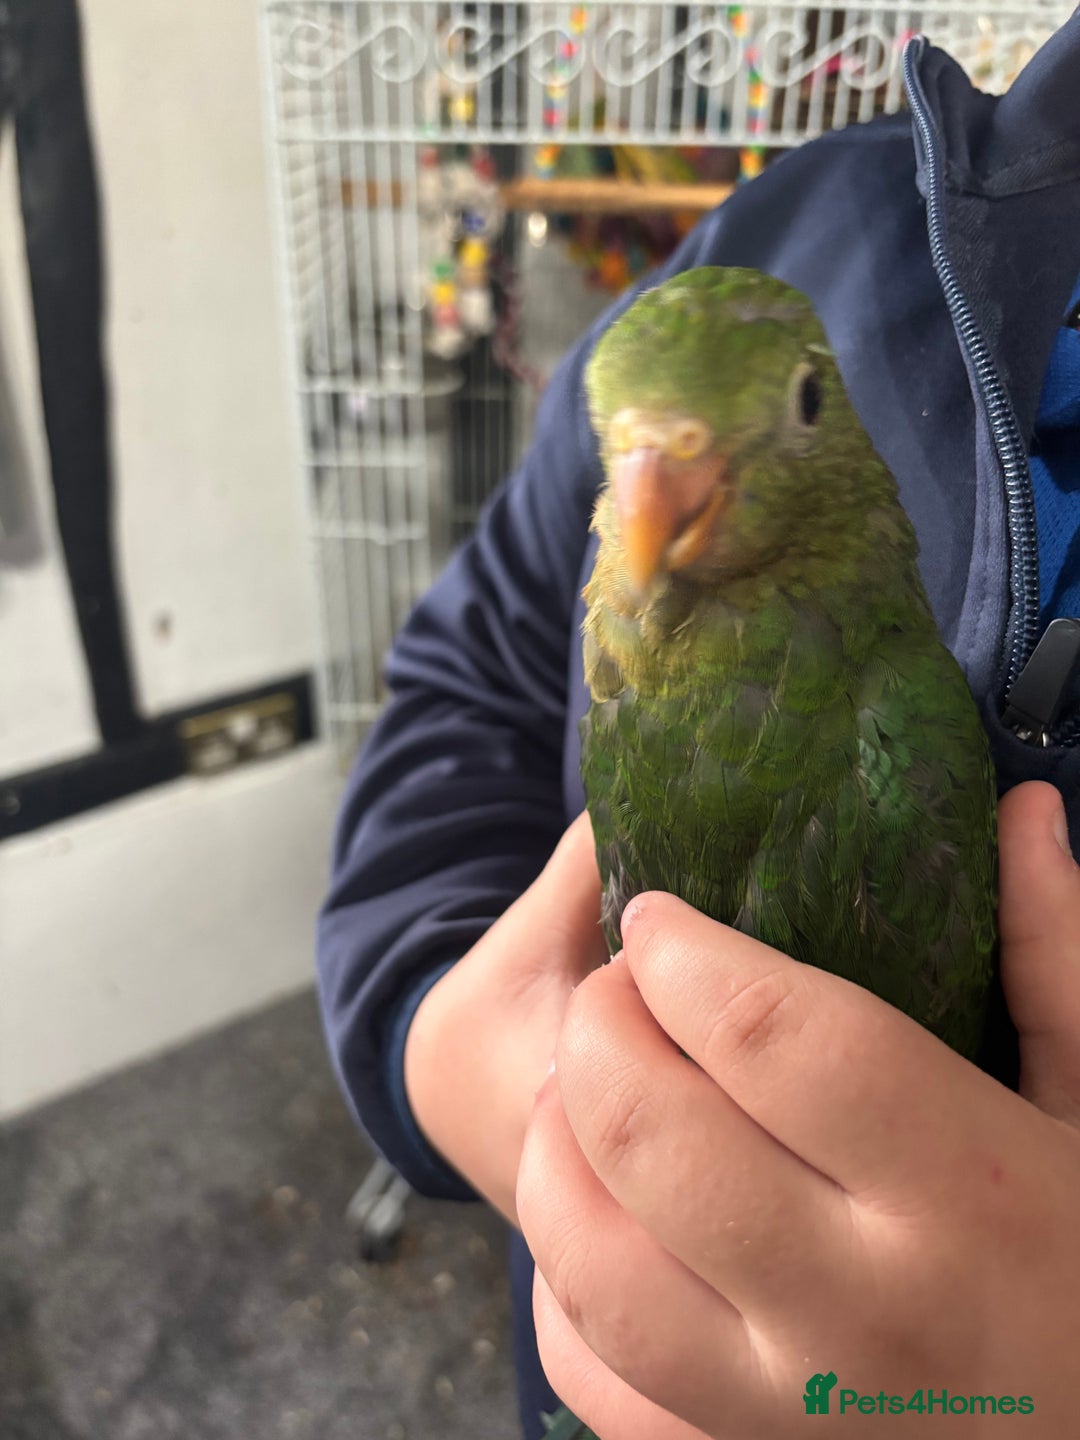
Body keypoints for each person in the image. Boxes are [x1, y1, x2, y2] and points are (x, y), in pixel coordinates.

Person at [317, 17, 1080, 1439]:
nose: (655, 498)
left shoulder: (884, 708)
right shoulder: (801, 224)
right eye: (627, 453)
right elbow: (467, 671)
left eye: (779, 415)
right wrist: (448, 1051)